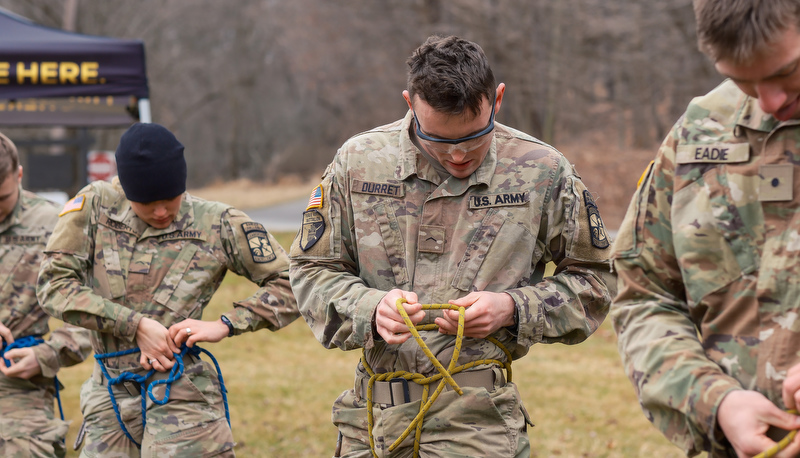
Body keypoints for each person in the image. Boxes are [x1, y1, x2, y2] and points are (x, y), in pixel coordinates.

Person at [289, 35, 615, 457]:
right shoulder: (359, 162)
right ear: (410, 104)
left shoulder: (541, 171)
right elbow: (312, 270)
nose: (459, 155)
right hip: (369, 427)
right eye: (440, 140)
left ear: (497, 100)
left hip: (478, 427)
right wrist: (369, 308)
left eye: (474, 137)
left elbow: (596, 280)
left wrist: (513, 309)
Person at [37, 122, 299, 457]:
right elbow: (54, 285)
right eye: (147, 202)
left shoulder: (217, 223)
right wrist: (135, 325)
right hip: (110, 395)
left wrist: (227, 323)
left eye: (170, 199)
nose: (161, 212)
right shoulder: (93, 207)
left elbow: (294, 282)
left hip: (181, 391)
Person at [611, 1, 800, 456]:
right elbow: (643, 296)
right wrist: (715, 402)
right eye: (742, 80)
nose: (769, 101)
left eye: (787, 73)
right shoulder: (701, 131)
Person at [0, 131, 92, 457]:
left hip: (16, 384)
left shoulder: (56, 225)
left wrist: (48, 354)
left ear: (20, 175)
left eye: (1, 199)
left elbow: (94, 310)